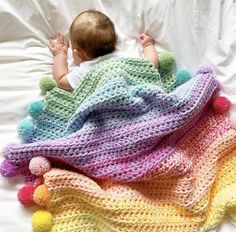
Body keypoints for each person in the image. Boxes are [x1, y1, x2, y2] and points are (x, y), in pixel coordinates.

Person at [49, 10, 159, 91]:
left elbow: (61, 81)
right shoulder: (127, 57)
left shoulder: (84, 71)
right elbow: (151, 66)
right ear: (115, 41)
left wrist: (60, 54)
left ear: (79, 54)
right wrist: (148, 46)